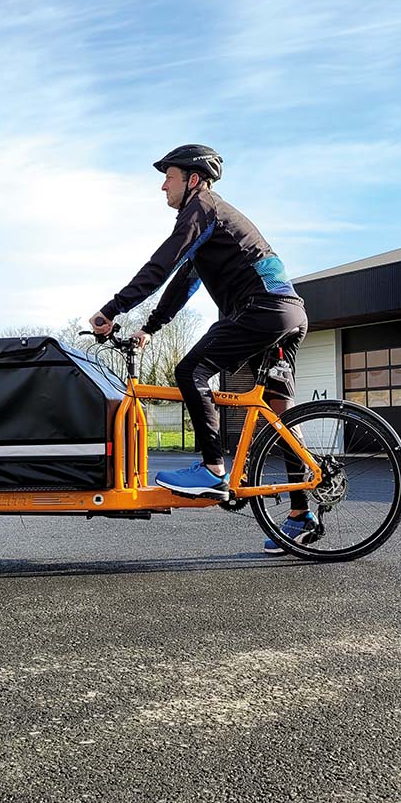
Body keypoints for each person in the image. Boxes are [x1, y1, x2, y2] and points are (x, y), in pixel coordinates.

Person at [90, 145, 318, 551]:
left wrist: (113, 308)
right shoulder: (213, 219)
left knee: (189, 371)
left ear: (193, 179)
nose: (163, 186)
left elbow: (162, 264)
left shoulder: (201, 208)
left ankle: (212, 468)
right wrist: (150, 328)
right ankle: (301, 513)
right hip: (288, 314)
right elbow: (183, 282)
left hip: (262, 309)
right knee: (280, 416)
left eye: (169, 177)